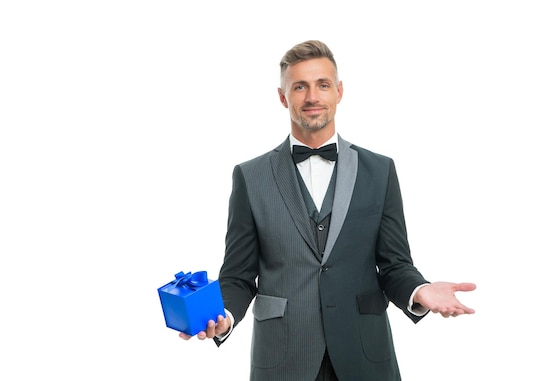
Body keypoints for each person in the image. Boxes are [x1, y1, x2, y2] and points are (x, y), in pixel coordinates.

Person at [180, 40, 476, 381]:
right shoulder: (250, 176)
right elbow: (238, 276)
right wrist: (223, 316)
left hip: (365, 354)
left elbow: (395, 265)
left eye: (322, 85)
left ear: (339, 91)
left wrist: (418, 290)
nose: (312, 97)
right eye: (299, 87)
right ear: (282, 97)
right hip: (283, 358)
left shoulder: (379, 171)